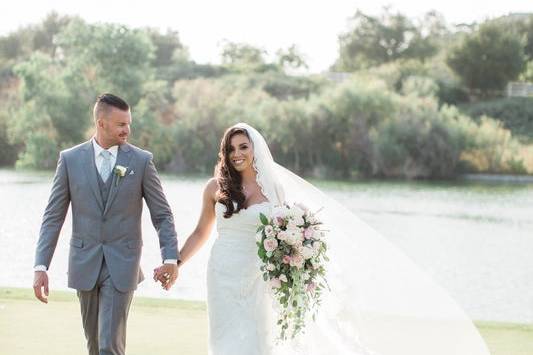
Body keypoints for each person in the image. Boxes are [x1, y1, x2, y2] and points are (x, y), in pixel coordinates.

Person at [155, 122, 490, 355]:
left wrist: (296, 253)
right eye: (231, 149)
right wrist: (177, 262)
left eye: (244, 146)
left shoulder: (275, 189)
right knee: (226, 338)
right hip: (223, 274)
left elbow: (288, 229)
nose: (237, 153)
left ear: (255, 150)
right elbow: (201, 231)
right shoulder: (215, 188)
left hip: (257, 276)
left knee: (256, 337)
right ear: (224, 153)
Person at [33, 93, 180, 355]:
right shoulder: (69, 159)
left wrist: (170, 256)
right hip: (83, 262)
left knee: (108, 346)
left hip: (123, 264)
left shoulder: (142, 161)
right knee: (93, 345)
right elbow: (53, 217)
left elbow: (162, 214)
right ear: (101, 123)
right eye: (121, 124)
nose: (128, 129)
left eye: (129, 123)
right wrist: (41, 266)